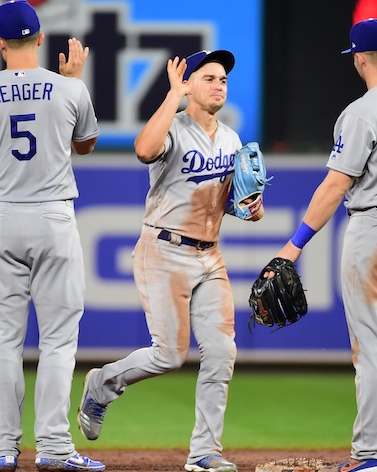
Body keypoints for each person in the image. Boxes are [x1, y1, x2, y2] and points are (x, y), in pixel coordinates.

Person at [268, 18, 377, 472]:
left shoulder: (361, 112)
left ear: (359, 59)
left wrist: (294, 245)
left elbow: (335, 185)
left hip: (376, 228)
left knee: (368, 346)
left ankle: (368, 456)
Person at [78, 49, 259, 472]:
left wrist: (250, 206)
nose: (219, 85)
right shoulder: (173, 127)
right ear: (189, 84)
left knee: (221, 353)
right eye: (210, 78)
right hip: (164, 250)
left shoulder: (232, 140)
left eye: (224, 80)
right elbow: (143, 149)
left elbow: (239, 203)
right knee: (169, 356)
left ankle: (204, 453)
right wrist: (172, 97)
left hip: (210, 256)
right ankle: (102, 383)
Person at [0, 1, 103, 471]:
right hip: (53, 219)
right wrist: (73, 80)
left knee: (4, 344)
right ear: (39, 39)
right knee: (57, 342)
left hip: (1, 220)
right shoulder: (68, 89)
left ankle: (0, 451)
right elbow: (86, 144)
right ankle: (53, 449)